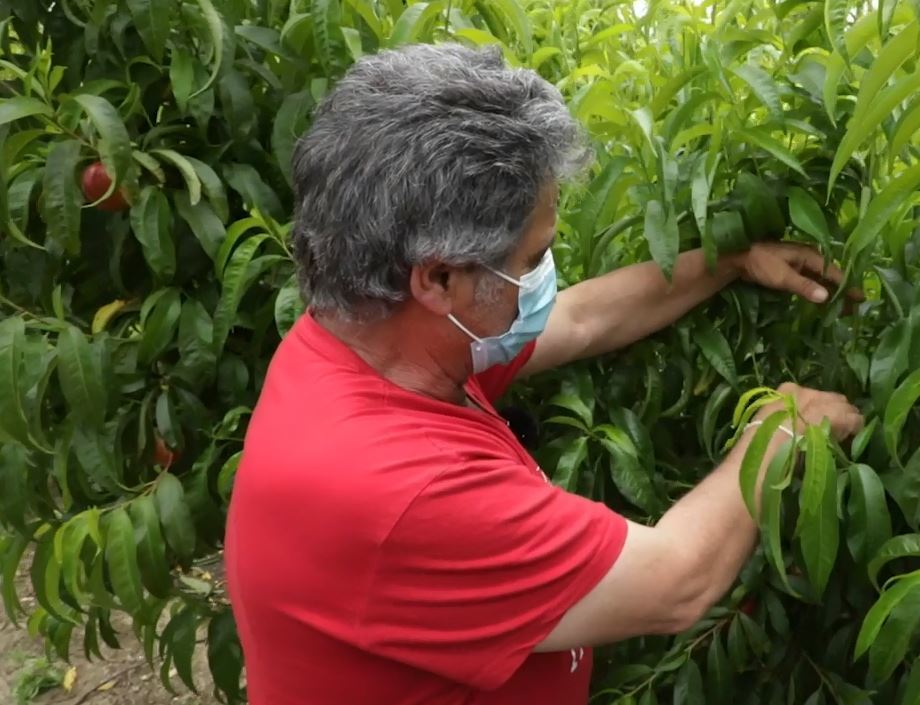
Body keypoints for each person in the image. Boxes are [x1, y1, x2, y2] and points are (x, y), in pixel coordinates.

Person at [223, 42, 864, 705]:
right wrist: (780, 429)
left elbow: (583, 319)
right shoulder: (396, 494)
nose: (542, 280)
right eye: (533, 258)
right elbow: (678, 579)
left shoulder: (365, 336)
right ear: (438, 277)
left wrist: (729, 261)